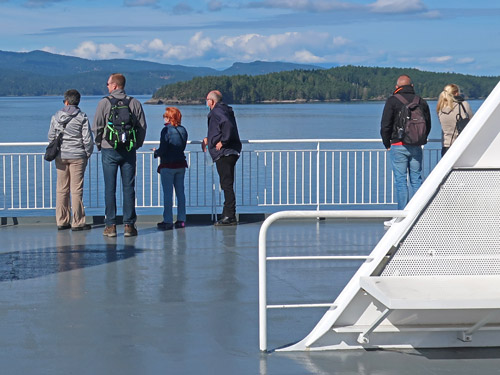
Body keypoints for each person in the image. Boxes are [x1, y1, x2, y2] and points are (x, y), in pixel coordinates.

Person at [92, 73, 147, 237]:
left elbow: (97, 127)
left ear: (115, 85)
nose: (107, 86)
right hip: (129, 150)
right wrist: (136, 145)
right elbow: (142, 126)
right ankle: (129, 226)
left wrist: (99, 144)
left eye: (108, 84)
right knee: (129, 187)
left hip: (109, 149)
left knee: (110, 188)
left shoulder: (104, 102)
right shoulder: (134, 102)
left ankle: (111, 226)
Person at [380, 74, 431, 227]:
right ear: (412, 86)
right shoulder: (420, 101)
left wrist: (386, 143)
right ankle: (419, 215)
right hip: (416, 146)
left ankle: (401, 217)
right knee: (417, 180)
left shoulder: (392, 100)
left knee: (401, 181)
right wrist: (420, 140)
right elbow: (427, 125)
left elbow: (385, 125)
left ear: (397, 87)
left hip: (397, 145)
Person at [48, 89, 94, 231]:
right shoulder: (82, 117)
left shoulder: (56, 116)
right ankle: (78, 221)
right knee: (76, 189)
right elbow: (87, 139)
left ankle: (62, 221)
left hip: (61, 156)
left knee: (61, 189)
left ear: (66, 101)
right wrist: (87, 153)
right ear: (78, 102)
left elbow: (51, 136)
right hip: (78, 156)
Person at [202, 90, 242, 226]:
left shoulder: (216, 111)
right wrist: (209, 139)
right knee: (227, 183)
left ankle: (229, 216)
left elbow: (227, 125)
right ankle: (227, 213)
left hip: (224, 152)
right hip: (231, 151)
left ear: (211, 101)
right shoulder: (225, 110)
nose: (206, 102)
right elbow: (219, 128)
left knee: (226, 184)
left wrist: (223, 141)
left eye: (207, 100)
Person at [153, 107, 188, 230]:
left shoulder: (166, 130)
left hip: (168, 165)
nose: (164, 118)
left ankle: (168, 221)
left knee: (168, 194)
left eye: (165, 116)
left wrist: (156, 153)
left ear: (169, 117)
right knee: (180, 193)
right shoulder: (183, 130)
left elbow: (163, 149)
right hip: (181, 164)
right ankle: (181, 220)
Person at [437, 84, 474, 156]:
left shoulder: (440, 108)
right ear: (456, 93)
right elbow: (472, 121)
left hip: (446, 145)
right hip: (460, 144)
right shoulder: (463, 104)